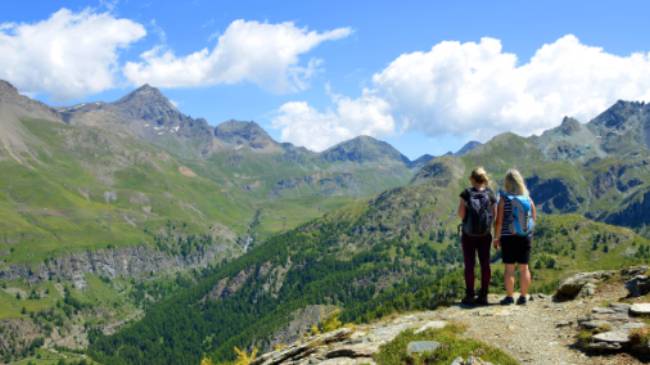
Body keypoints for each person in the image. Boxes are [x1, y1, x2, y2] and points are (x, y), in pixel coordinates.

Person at [493, 169, 537, 305]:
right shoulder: (528, 199)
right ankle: (523, 297)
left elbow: (499, 221)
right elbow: (533, 219)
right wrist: (529, 234)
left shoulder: (503, 200)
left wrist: (496, 237)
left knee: (509, 269)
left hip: (508, 237)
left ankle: (510, 297)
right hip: (524, 236)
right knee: (524, 268)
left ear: (507, 183)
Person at [457, 167, 497, 306]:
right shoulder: (490, 194)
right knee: (485, 264)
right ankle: (484, 295)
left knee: (469, 265)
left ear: (472, 179)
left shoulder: (466, 193)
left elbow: (461, 214)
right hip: (485, 236)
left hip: (468, 235)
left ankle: (469, 296)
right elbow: (494, 215)